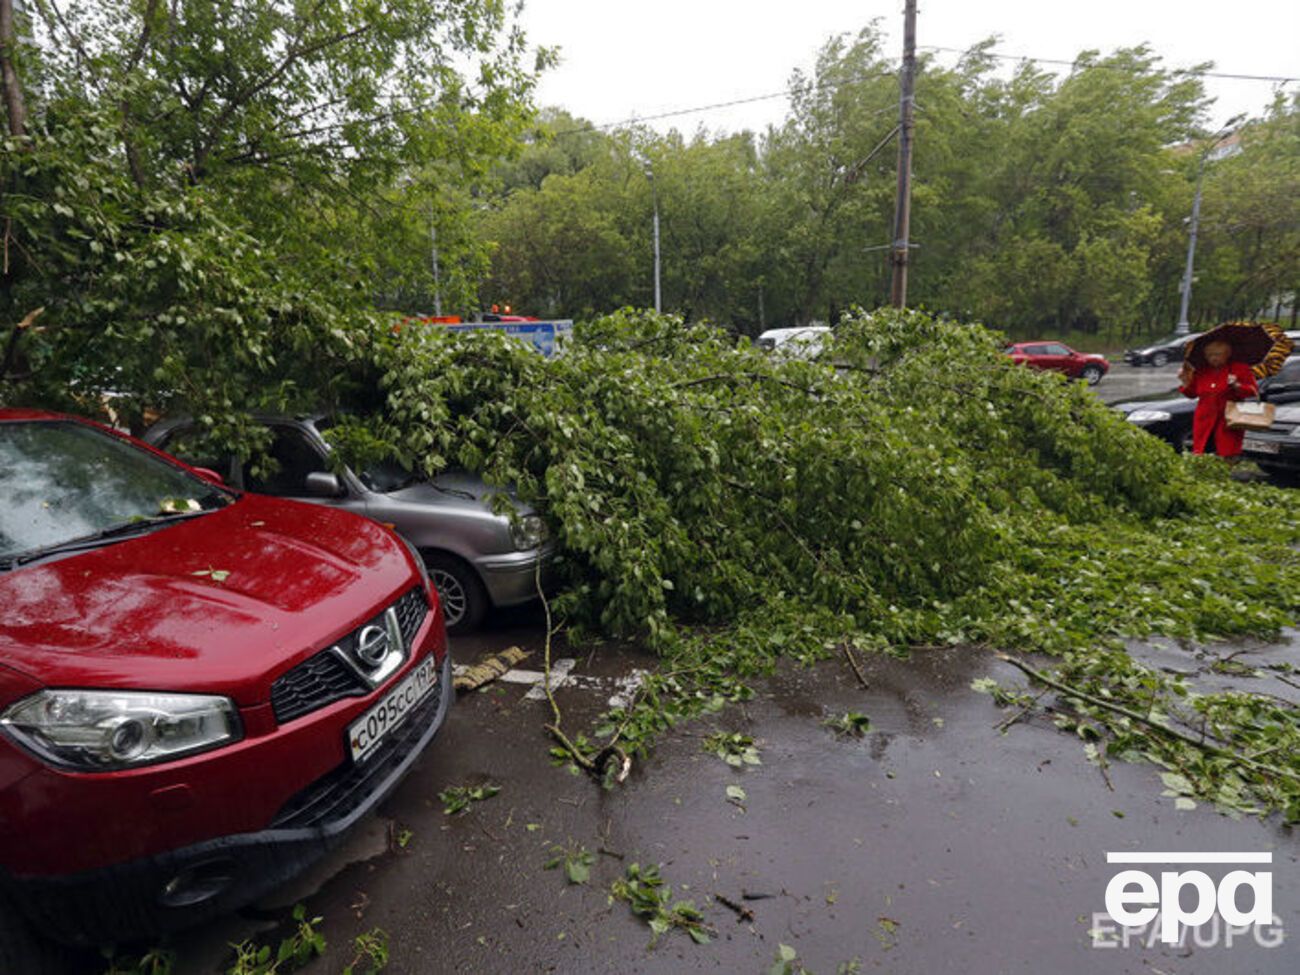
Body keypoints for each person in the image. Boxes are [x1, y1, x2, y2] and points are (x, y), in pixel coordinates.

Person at [1178, 339, 1258, 457]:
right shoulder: (1201, 371)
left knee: (1227, 453)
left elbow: (1252, 391)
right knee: (1202, 453)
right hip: (1204, 420)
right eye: (1209, 355)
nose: (1213, 358)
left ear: (1227, 354)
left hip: (1228, 420)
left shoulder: (1239, 368)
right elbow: (1192, 394)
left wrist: (1236, 385)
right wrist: (1185, 381)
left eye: (1218, 355)